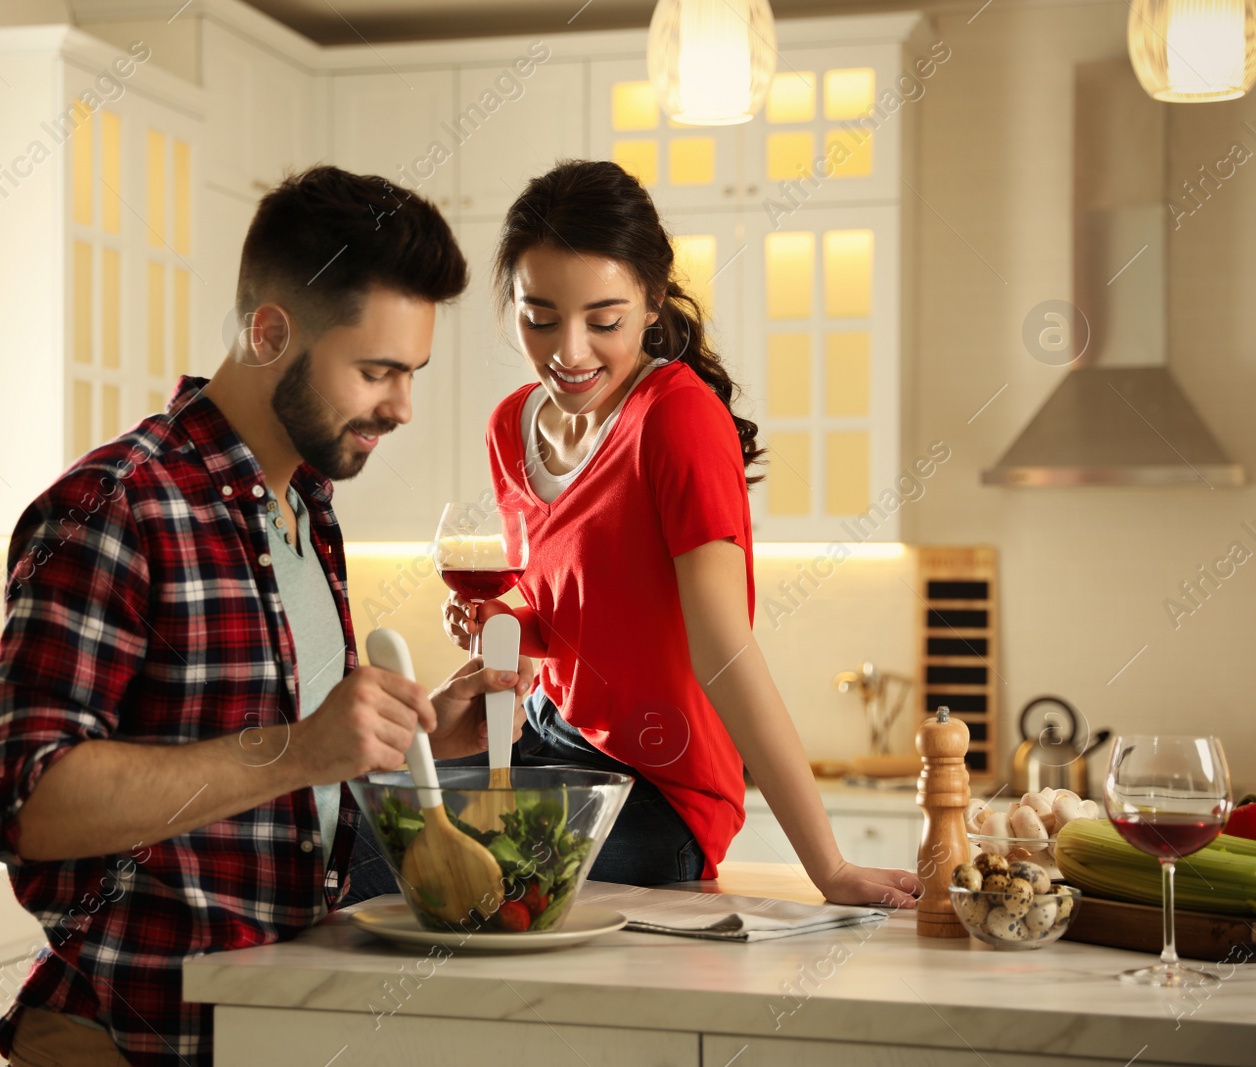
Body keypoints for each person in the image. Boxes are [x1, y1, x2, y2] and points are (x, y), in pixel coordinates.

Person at [0, 166, 533, 1067]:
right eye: (375, 370)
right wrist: (305, 747)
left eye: (411, 372)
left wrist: (405, 740)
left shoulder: (307, 507)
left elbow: (268, 788)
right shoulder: (115, 505)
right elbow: (26, 801)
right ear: (270, 332)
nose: (402, 407)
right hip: (123, 1033)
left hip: (265, 1027)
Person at [350, 159, 921, 909]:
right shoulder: (510, 427)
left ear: (653, 301)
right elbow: (583, 610)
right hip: (545, 746)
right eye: (540, 316)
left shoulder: (676, 419)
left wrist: (830, 865)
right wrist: (514, 626)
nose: (569, 351)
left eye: (605, 320)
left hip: (660, 795)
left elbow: (724, 648)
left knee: (415, 867)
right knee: (355, 823)